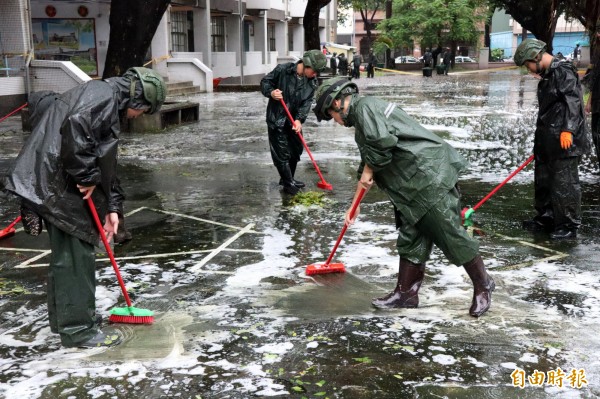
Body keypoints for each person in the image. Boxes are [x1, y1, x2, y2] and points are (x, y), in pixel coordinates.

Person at [4, 67, 166, 348]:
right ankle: (79, 331)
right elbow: (76, 128)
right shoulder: (102, 96)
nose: (139, 116)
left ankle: (64, 322)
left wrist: (113, 206)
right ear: (138, 101)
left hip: (53, 183)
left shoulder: (103, 95)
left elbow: (104, 161)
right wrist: (86, 175)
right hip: (58, 188)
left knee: (68, 257)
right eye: (144, 111)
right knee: (75, 259)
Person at [312, 77, 495, 317]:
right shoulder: (364, 113)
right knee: (411, 237)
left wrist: (368, 172)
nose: (335, 122)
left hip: (428, 178)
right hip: (412, 187)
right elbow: (369, 162)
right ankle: (406, 293)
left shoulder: (364, 108)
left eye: (331, 116)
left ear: (337, 103)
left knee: (449, 233)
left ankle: (484, 284)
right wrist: (355, 204)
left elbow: (380, 146)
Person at [514, 39, 588, 239]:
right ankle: (546, 217)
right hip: (548, 138)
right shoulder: (548, 76)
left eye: (528, 65)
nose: (529, 70)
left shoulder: (563, 71)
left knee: (564, 183)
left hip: (564, 139)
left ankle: (568, 225)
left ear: (535, 57)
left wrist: (569, 129)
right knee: (544, 180)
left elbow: (573, 101)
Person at [260, 49, 327, 195]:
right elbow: (265, 82)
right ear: (306, 64)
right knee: (281, 152)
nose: (315, 75)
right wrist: (271, 92)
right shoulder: (283, 70)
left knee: (296, 149)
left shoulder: (311, 82)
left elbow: (307, 102)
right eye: (314, 71)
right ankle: (288, 183)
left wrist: (299, 120)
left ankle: (288, 178)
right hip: (277, 118)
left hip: (293, 120)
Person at [584, 28, 600, 170]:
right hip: (597, 104)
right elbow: (591, 79)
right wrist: (588, 101)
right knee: (597, 138)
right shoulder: (597, 55)